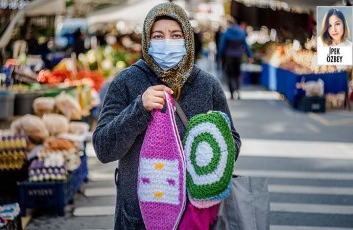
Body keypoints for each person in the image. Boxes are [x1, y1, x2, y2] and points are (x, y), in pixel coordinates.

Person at [92, 3, 241, 229]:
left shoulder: (207, 85)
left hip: (194, 216)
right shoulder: (126, 82)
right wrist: (139, 109)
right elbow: (103, 148)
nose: (167, 43)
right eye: (158, 36)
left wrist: (208, 145)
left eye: (176, 35)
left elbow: (233, 141)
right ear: (147, 41)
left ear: (188, 40)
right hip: (137, 217)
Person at [218, 16, 253, 100]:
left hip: (229, 56)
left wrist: (219, 56)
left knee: (230, 74)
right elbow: (245, 45)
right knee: (237, 74)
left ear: (228, 23)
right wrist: (249, 55)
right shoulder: (241, 32)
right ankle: (238, 90)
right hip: (238, 56)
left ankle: (231, 93)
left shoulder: (226, 33)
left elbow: (222, 46)